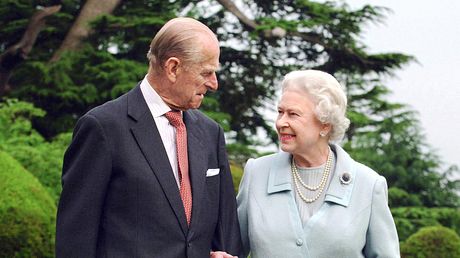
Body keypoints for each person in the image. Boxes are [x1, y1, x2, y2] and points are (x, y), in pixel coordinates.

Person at [56, 17, 241, 258]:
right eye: (206, 72)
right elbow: (75, 237)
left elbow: (226, 230)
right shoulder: (102, 127)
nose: (214, 84)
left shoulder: (210, 132)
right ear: (173, 68)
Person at [237, 70, 400, 258]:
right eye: (280, 112)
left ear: (325, 125)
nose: (281, 122)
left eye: (293, 114)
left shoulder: (369, 185)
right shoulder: (256, 173)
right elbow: (231, 250)